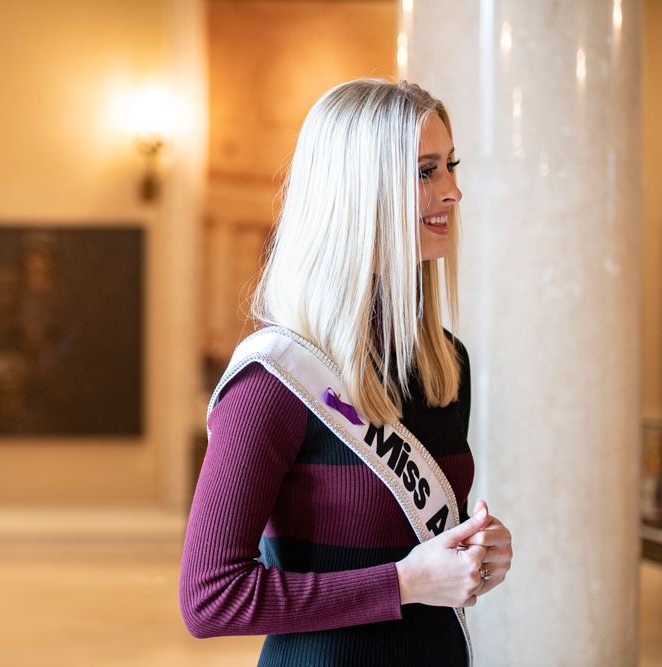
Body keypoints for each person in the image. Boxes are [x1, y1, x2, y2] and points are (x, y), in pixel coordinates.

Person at [179, 78, 513, 666]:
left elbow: (414, 543)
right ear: (362, 191)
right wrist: (403, 584)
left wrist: (475, 553)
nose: (454, 191)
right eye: (425, 171)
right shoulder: (274, 381)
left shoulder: (445, 363)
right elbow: (210, 600)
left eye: (450, 167)